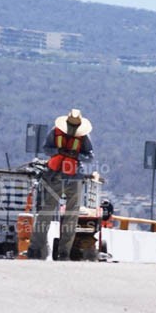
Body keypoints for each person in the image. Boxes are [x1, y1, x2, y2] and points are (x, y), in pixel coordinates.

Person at [28, 108, 94, 260]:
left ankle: (64, 252)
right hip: (55, 176)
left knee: (70, 215)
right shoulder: (55, 132)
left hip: (74, 177)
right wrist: (59, 151)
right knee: (47, 213)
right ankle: (36, 248)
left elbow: (89, 156)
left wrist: (75, 155)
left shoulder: (84, 137)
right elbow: (47, 149)